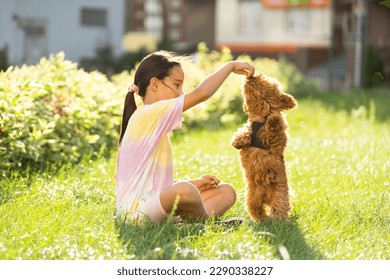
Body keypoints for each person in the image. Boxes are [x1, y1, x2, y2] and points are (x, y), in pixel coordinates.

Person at [116, 50, 255, 223]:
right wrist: (231, 66)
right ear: (154, 84)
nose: (181, 93)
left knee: (225, 192)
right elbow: (202, 93)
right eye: (176, 85)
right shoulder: (148, 114)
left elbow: (155, 183)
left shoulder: (153, 122)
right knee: (185, 190)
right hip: (135, 214)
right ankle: (209, 224)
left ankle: (185, 224)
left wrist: (194, 183)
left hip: (154, 207)